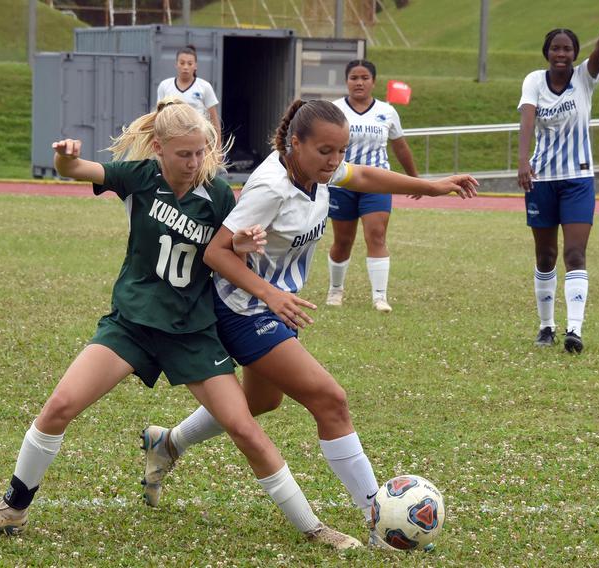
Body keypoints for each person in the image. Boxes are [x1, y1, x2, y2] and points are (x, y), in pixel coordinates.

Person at [0, 100, 361, 550]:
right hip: (132, 325)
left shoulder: (220, 195)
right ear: (159, 149)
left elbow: (229, 250)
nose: (194, 163)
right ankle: (12, 509)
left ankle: (313, 527)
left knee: (246, 429)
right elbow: (76, 169)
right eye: (183, 154)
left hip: (192, 331)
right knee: (59, 407)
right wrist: (65, 157)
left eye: (201, 152)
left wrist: (242, 244)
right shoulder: (138, 177)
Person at [139, 99, 478, 548]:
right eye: (325, 151)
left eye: (341, 151)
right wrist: (269, 293)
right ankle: (377, 519)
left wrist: (430, 186)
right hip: (242, 309)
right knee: (330, 399)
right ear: (294, 143)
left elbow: (365, 176)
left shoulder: (315, 170)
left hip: (274, 306)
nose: (335, 161)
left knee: (259, 403)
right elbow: (216, 253)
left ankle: (168, 443)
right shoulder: (270, 187)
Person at [517, 2, 599, 353]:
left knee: (576, 254)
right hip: (541, 180)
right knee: (546, 255)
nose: (561, 53)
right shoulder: (534, 80)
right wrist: (523, 160)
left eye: (567, 48)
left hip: (579, 179)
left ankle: (574, 331)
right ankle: (545, 326)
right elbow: (528, 119)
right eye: (555, 48)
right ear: (547, 52)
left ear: (575, 53)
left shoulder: (584, 78)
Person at [326, 59, 420, 313]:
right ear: (346, 81)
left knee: (376, 235)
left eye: (364, 78)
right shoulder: (334, 110)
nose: (359, 82)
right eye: (354, 77)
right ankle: (336, 290)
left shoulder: (387, 111)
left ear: (373, 82)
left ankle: (380, 297)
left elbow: (400, 146)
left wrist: (415, 180)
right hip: (342, 182)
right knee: (343, 240)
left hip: (378, 183)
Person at [156, 45, 222, 142]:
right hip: (171, 138)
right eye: (182, 63)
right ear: (176, 64)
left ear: (195, 66)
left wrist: (218, 146)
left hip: (198, 138)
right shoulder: (164, 86)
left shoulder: (204, 86)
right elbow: (158, 116)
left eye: (189, 63)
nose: (185, 67)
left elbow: (214, 119)